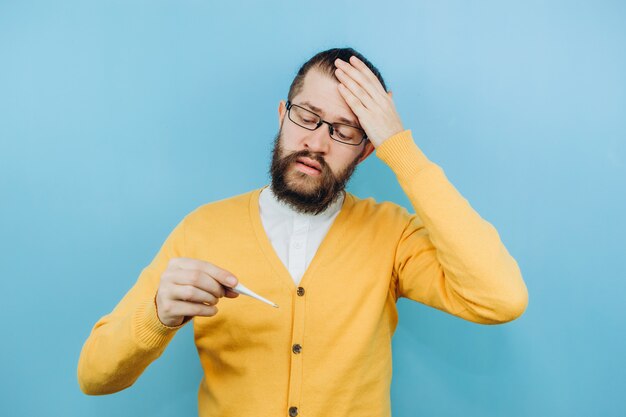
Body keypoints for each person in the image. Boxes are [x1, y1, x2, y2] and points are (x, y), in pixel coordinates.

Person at [77, 47, 529, 417]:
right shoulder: (204, 229)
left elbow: (501, 297)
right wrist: (156, 313)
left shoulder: (391, 235)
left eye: (343, 131)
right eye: (307, 117)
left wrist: (401, 148)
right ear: (282, 115)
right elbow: (94, 376)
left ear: (367, 151)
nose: (316, 142)